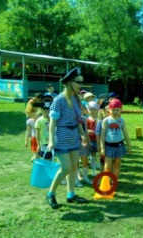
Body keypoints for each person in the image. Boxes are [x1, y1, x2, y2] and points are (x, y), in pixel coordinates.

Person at [46, 67, 89, 209]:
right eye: (78, 82)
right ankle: (50, 194)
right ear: (70, 83)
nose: (81, 85)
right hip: (61, 138)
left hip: (73, 138)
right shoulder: (59, 100)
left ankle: (71, 194)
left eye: (82, 82)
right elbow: (52, 122)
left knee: (73, 167)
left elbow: (77, 121)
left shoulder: (76, 100)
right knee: (65, 168)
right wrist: (51, 140)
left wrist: (83, 135)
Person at [100, 99, 132, 180]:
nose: (115, 112)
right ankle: (105, 182)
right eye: (113, 110)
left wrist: (129, 146)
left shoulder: (121, 121)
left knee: (117, 165)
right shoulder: (106, 120)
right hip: (108, 146)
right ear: (109, 109)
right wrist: (102, 147)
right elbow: (102, 135)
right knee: (107, 166)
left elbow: (125, 134)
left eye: (117, 110)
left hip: (119, 146)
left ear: (121, 110)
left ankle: (114, 181)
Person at [34, 95, 53, 160]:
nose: (47, 113)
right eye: (45, 111)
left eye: (48, 111)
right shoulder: (39, 121)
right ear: (41, 110)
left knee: (52, 159)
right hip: (44, 143)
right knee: (46, 159)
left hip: (53, 142)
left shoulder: (53, 120)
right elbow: (37, 134)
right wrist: (38, 145)